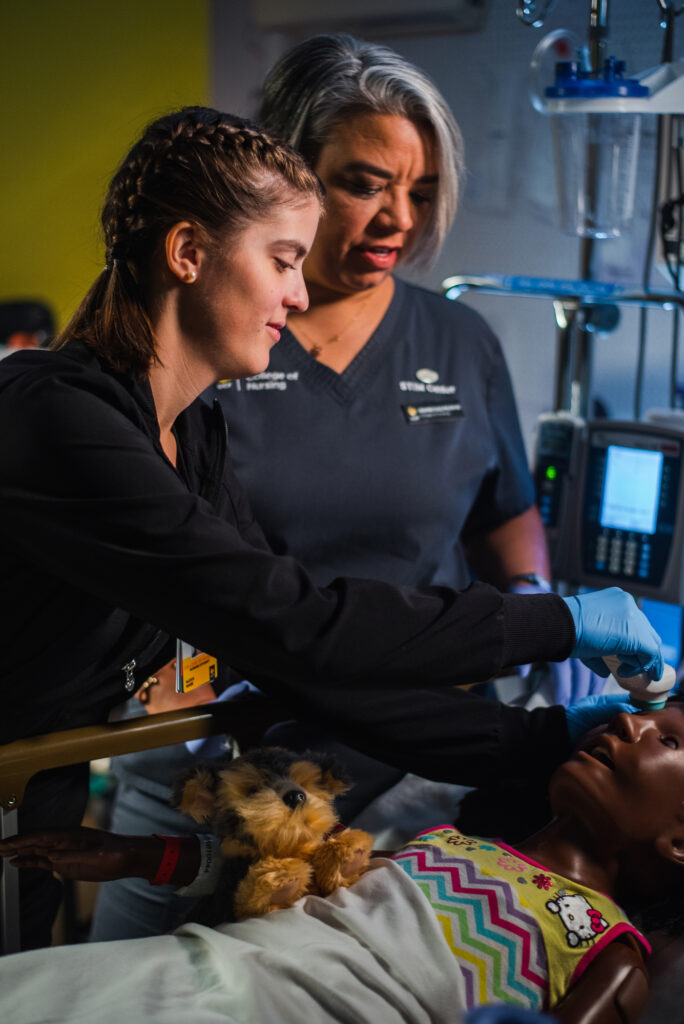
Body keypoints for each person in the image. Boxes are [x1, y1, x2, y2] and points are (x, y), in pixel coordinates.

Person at [0, 104, 663, 951]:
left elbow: (292, 655)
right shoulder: (55, 417)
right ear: (188, 253)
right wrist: (558, 622)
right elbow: (303, 622)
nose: (300, 293)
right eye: (282, 259)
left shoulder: (190, 436)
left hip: (30, 802)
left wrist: (533, 737)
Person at [5, 701, 684, 1022]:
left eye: (670, 739)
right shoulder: (455, 842)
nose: (628, 723)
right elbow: (304, 874)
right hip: (218, 962)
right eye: (643, 716)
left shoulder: (611, 953)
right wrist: (139, 853)